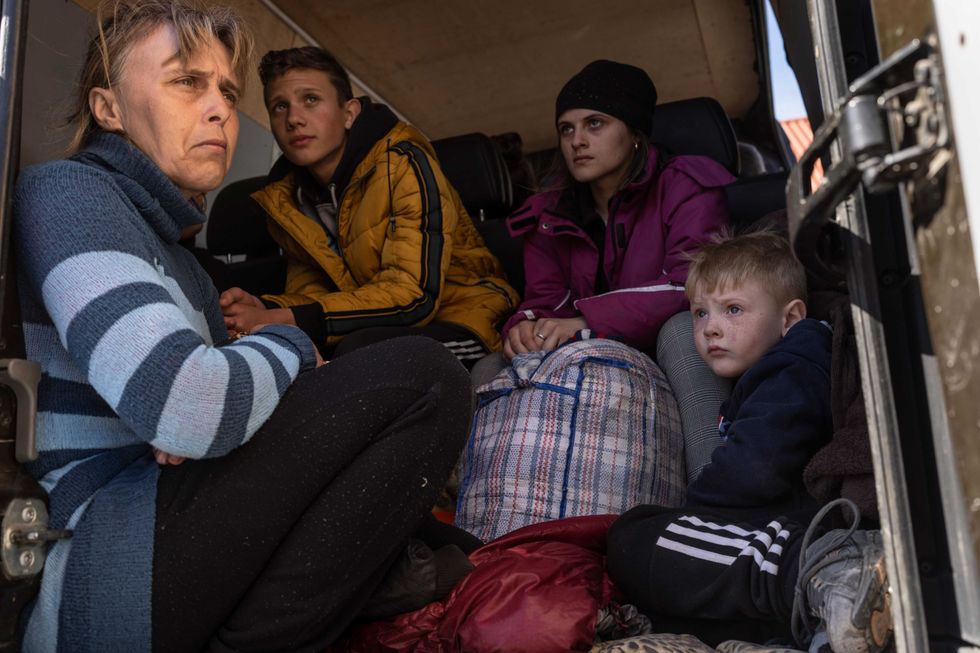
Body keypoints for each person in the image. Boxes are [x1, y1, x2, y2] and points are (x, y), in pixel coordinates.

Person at [13, 2, 476, 650]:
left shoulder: (183, 259)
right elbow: (189, 407)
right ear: (109, 109)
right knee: (424, 378)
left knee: (455, 544)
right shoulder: (69, 194)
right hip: (109, 555)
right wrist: (290, 341)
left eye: (228, 92)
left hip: (169, 508)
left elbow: (210, 417)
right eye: (187, 81)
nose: (219, 110)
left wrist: (220, 392)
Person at [606, 232, 893, 653]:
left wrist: (694, 514)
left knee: (634, 539)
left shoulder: (793, 366)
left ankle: (829, 568)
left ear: (790, 318)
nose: (710, 328)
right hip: (782, 544)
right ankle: (818, 622)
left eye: (733, 309)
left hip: (806, 531)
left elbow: (756, 466)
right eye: (700, 313)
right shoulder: (776, 369)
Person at [218, 46, 519, 368]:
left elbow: (414, 298)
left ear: (349, 113)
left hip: (466, 317)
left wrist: (286, 317)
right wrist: (263, 308)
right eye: (280, 107)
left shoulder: (404, 164)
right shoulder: (288, 201)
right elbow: (315, 295)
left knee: (359, 354)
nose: (293, 119)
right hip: (371, 325)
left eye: (310, 99)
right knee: (279, 350)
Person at [494, 59, 734, 368]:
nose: (577, 141)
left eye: (594, 123)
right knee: (494, 363)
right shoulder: (547, 215)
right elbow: (547, 300)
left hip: (662, 349)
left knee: (682, 330)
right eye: (566, 129)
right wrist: (525, 328)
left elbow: (693, 285)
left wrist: (588, 320)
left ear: (634, 132)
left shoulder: (686, 187)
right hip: (587, 362)